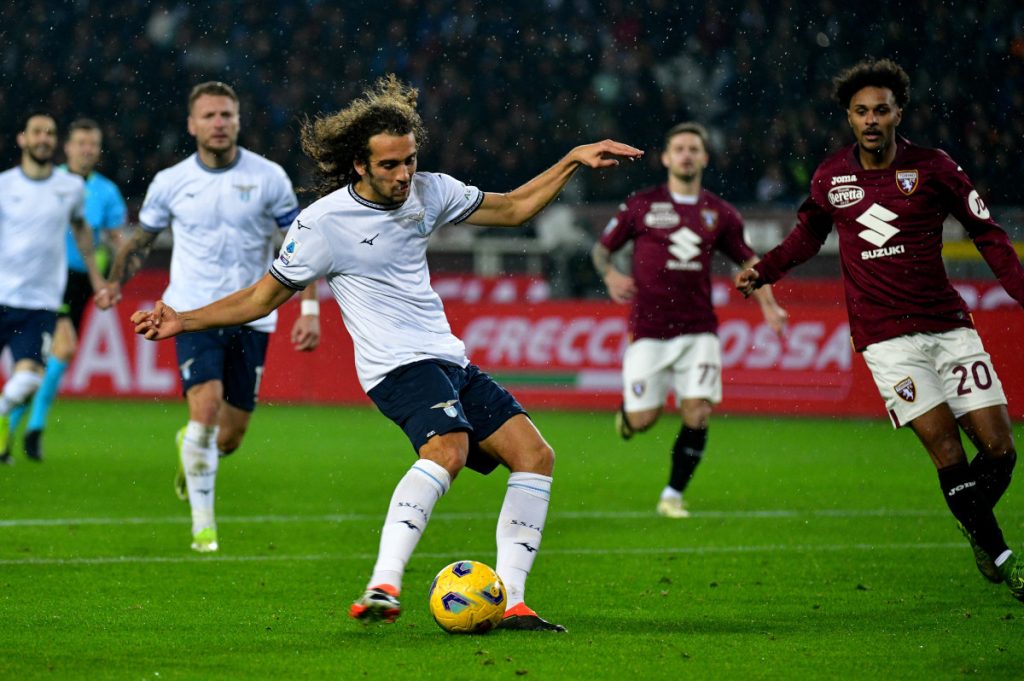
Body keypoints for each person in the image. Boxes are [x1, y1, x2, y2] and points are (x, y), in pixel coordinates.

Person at [129, 74, 643, 630]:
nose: (405, 175)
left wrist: (571, 159)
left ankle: (513, 601)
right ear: (360, 165)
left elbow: (516, 208)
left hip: (447, 356)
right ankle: (383, 583)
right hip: (393, 366)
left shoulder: (431, 190)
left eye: (410, 161)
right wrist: (185, 318)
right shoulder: (323, 224)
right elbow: (261, 296)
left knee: (536, 456)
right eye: (391, 165)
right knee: (446, 451)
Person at [735, 58, 1024, 603]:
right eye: (861, 111)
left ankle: (974, 524)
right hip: (886, 340)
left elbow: (987, 232)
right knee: (948, 455)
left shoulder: (934, 167)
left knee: (1001, 452)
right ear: (849, 117)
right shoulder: (830, 177)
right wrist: (765, 270)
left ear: (898, 114)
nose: (871, 120)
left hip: (948, 327)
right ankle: (1004, 558)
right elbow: (805, 237)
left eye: (881, 110)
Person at [102, 82, 322, 553]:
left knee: (229, 437)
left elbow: (300, 245)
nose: (218, 123)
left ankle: (193, 446)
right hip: (190, 313)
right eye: (209, 116)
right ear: (192, 125)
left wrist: (308, 306)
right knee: (205, 410)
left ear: (238, 121)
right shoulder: (172, 181)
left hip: (253, 315)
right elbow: (141, 239)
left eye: (226, 115)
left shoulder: (269, 178)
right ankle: (204, 529)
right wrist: (115, 281)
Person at [592, 122, 787, 519]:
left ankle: (672, 494)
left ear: (704, 158)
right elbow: (601, 250)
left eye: (693, 149)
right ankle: (629, 418)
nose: (685, 154)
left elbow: (749, 262)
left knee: (697, 411)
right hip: (647, 330)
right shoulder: (641, 205)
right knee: (645, 419)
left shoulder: (720, 213)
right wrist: (610, 274)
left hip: (699, 328)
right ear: (665, 158)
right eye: (678, 148)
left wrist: (769, 303)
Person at [4, 118, 127, 462]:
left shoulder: (106, 192)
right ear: (68, 147)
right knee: (64, 348)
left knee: (49, 362)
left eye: (93, 144)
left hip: (82, 285)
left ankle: (14, 426)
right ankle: (32, 427)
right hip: (47, 280)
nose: (87, 149)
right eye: (81, 143)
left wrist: (114, 276)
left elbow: (116, 240)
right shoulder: (48, 182)